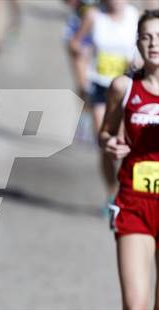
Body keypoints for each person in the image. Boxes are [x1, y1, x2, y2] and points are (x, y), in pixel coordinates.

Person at [99, 9, 159, 309]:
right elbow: (106, 133)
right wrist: (110, 145)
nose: (154, 44)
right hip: (134, 201)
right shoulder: (123, 87)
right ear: (137, 44)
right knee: (135, 305)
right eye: (146, 37)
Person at [70, 0, 139, 207]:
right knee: (105, 144)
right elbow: (75, 44)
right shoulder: (93, 16)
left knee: (126, 143)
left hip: (128, 87)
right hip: (101, 87)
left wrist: (138, 63)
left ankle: (129, 189)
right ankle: (112, 193)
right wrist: (82, 62)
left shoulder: (136, 18)